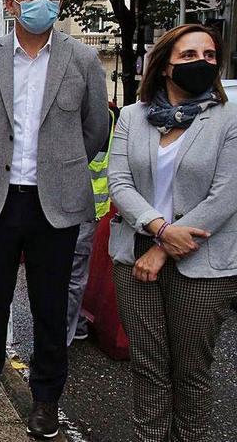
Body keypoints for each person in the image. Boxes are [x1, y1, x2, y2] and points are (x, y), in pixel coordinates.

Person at [0, 0, 109, 439]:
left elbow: (95, 132)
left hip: (55, 202)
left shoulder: (81, 60)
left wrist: (58, 167)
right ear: (11, 3)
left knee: (50, 304)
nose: (44, 2)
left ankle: (45, 398)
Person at [107, 23, 237, 441]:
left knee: (192, 372)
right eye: (188, 55)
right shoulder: (132, 116)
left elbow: (225, 195)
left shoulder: (229, 118)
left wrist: (163, 247)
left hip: (203, 259)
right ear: (164, 65)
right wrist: (159, 229)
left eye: (209, 56)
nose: (201, 63)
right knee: (147, 366)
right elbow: (119, 182)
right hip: (135, 252)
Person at [67, 101, 119, 345]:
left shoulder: (97, 113)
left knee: (71, 275)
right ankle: (74, 324)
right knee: (70, 272)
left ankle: (62, 333)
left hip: (82, 206)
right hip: (78, 206)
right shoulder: (104, 111)